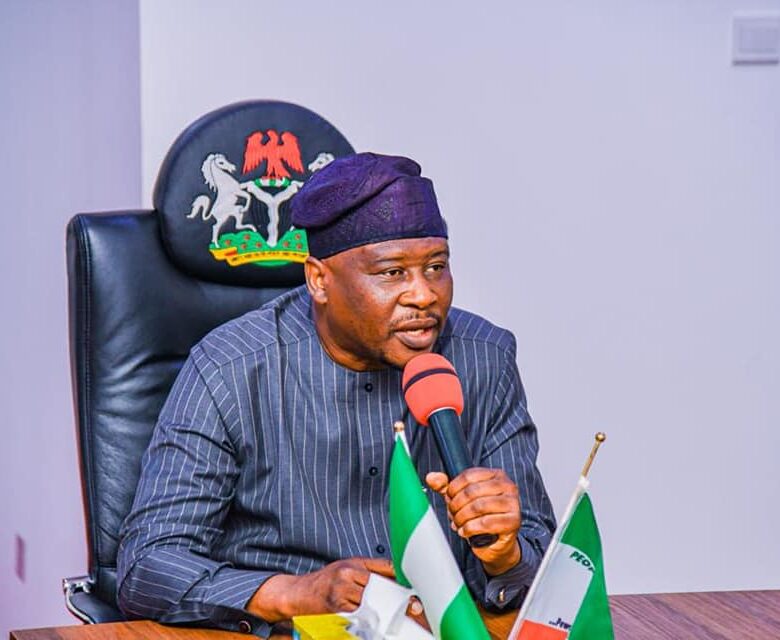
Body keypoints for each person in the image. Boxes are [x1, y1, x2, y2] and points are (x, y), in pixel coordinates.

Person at [117, 153, 556, 637]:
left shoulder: (485, 357)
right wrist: (293, 593)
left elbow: (543, 565)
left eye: (436, 267)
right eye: (392, 273)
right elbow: (149, 564)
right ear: (319, 281)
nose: (424, 295)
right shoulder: (230, 368)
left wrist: (505, 554)